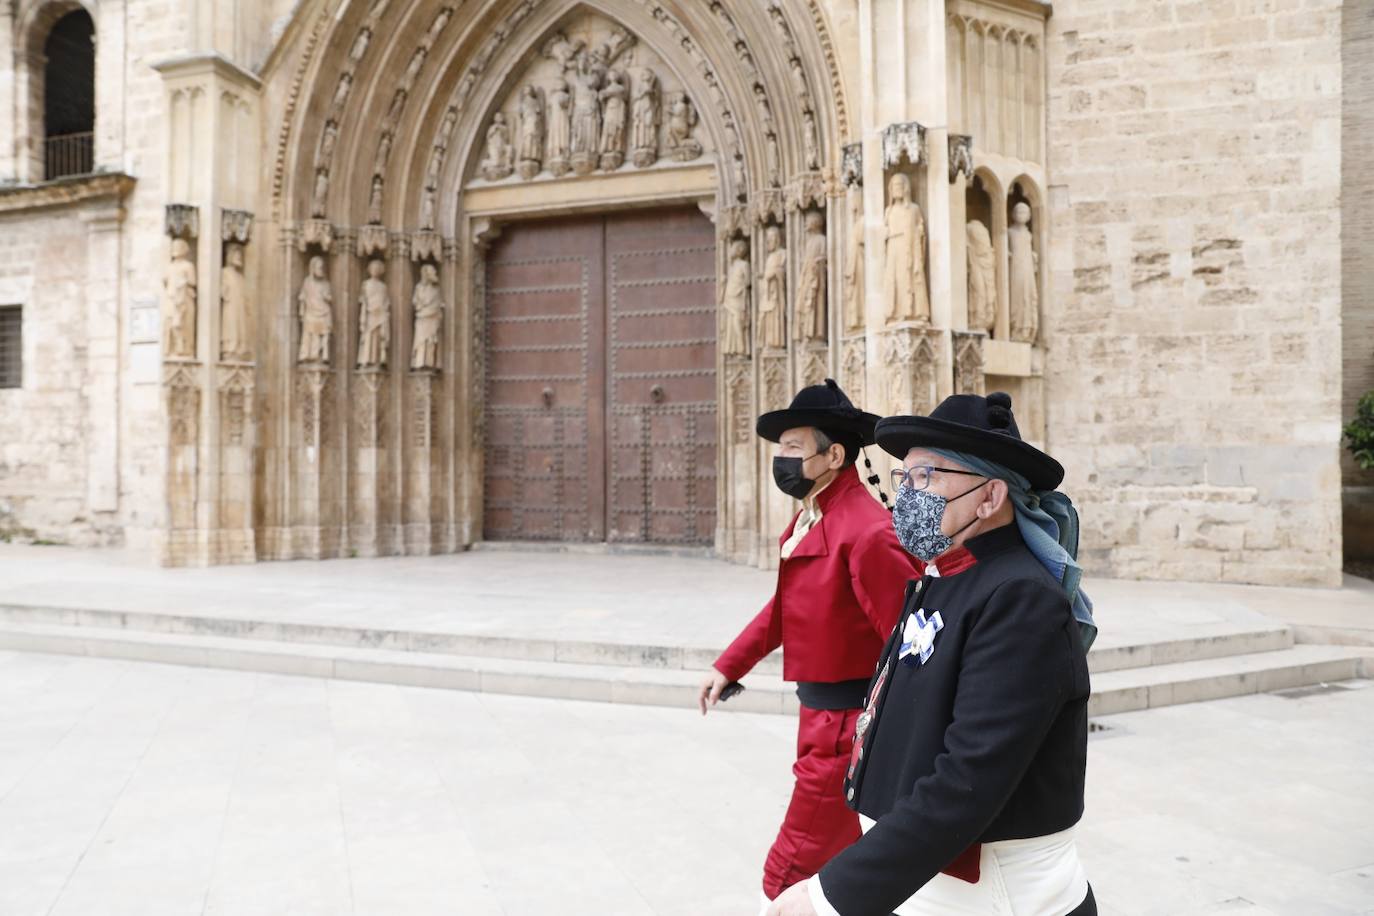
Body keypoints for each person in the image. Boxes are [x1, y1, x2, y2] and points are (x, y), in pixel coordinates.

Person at [769, 391, 1098, 916]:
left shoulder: (1021, 599)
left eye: (928, 478)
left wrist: (831, 893)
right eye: (907, 479)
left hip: (999, 899)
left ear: (989, 497)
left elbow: (969, 780)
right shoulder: (944, 576)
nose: (908, 496)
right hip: (930, 886)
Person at [698, 379, 921, 912]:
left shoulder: (865, 531)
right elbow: (783, 607)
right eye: (781, 448)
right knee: (840, 863)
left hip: (848, 731)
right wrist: (730, 665)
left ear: (833, 455)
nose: (782, 459)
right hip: (819, 717)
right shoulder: (812, 516)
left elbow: (908, 638)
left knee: (789, 867)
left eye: (794, 447)